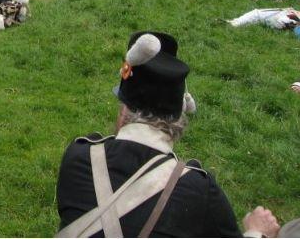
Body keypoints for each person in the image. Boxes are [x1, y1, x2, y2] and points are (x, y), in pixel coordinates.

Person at [55, 31, 280, 238]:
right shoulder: (199, 190)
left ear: (124, 111)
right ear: (179, 117)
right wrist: (257, 232)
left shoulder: (79, 156)